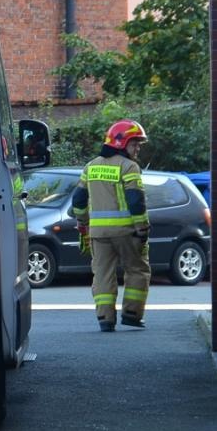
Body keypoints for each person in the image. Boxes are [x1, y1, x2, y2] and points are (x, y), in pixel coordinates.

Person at [72, 120, 150, 332]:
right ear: (120, 143)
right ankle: (131, 314)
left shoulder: (91, 166)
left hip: (98, 233)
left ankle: (105, 319)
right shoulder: (129, 166)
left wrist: (82, 223)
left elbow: (78, 200)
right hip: (127, 232)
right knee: (137, 270)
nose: (137, 149)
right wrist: (142, 228)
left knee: (102, 274)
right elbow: (136, 201)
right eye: (135, 144)